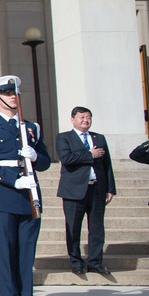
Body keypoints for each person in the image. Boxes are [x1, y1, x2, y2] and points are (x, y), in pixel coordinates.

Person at [0, 76, 51, 296]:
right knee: (7, 253)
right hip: (4, 193)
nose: (13, 97)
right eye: (8, 94)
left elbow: (46, 161)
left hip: (29, 192)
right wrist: (12, 178)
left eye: (15, 93)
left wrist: (35, 157)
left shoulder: (31, 127)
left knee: (26, 253)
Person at [56, 106, 115, 277]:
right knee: (73, 228)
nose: (85, 120)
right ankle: (76, 262)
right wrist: (89, 155)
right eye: (81, 117)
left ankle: (95, 262)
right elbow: (66, 158)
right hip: (73, 191)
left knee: (97, 228)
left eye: (88, 117)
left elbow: (107, 165)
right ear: (73, 119)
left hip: (97, 188)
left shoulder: (98, 138)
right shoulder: (64, 137)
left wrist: (110, 188)